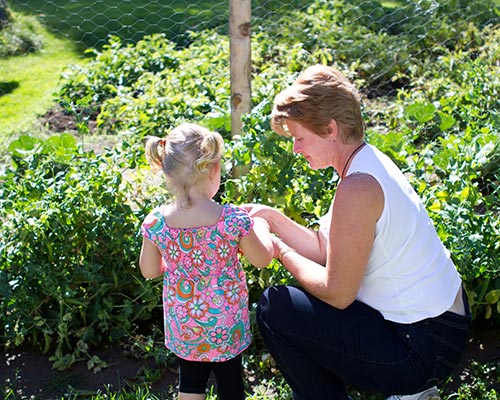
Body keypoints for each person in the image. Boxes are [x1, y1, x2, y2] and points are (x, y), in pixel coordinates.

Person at [243, 65, 472, 400]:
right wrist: (272, 218)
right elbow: (326, 248)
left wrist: (278, 249)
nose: (295, 149)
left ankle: (410, 388)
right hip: (437, 327)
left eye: (299, 137)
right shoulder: (365, 163)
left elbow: (338, 293)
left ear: (330, 129)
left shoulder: (358, 188)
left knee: (276, 308)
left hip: (423, 348)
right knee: (295, 305)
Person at [139, 123, 274, 400]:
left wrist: (178, 264)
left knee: (190, 384)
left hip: (185, 326)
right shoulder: (232, 221)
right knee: (231, 386)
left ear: (167, 171)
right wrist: (260, 225)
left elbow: (149, 271)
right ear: (214, 170)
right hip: (226, 323)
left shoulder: (156, 224)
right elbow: (262, 259)